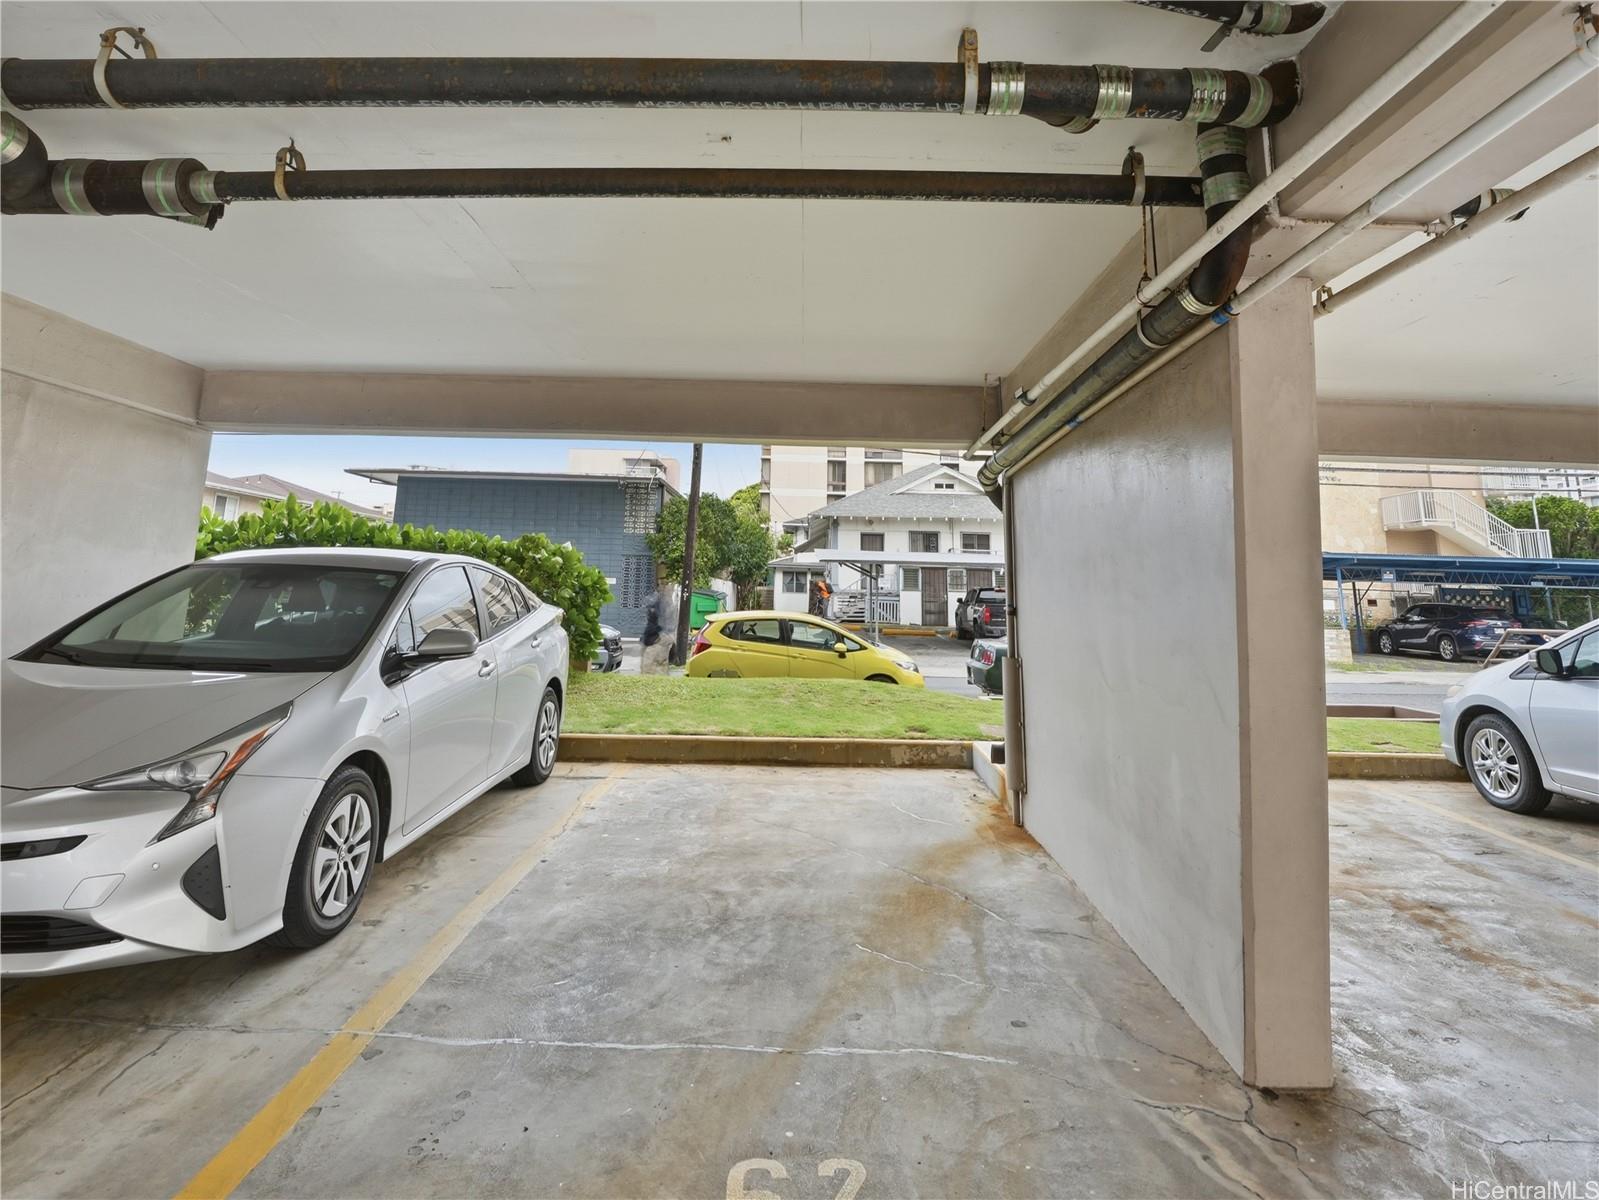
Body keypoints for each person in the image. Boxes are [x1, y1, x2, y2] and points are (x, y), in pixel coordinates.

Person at [641, 586, 676, 674]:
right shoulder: (660, 602)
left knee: (651, 667)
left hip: (658, 639)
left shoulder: (664, 604)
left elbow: (663, 623)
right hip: (657, 638)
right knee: (659, 666)